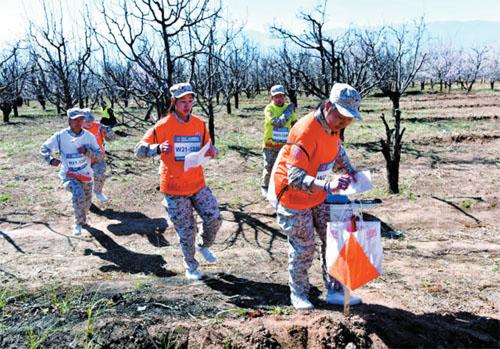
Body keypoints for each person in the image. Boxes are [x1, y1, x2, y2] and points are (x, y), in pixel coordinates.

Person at [271, 83, 364, 310]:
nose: (345, 123)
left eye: (349, 119)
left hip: (319, 194)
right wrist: (328, 185)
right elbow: (295, 177)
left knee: (333, 239)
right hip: (293, 197)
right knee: (304, 246)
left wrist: (351, 172)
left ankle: (335, 290)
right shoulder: (304, 131)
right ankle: (299, 294)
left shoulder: (334, 128)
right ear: (329, 107)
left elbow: (337, 150)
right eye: (342, 117)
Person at [134, 82, 222, 280]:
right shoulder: (163, 125)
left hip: (197, 184)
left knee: (215, 218)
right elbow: (138, 150)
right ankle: (191, 265)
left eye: (190, 101)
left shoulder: (199, 123)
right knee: (186, 230)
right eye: (183, 101)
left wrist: (212, 151)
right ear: (173, 102)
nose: (187, 106)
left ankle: (204, 245)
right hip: (174, 188)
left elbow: (208, 147)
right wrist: (157, 149)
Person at [40, 108, 102, 236]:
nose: (78, 122)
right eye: (75, 120)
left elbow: (100, 155)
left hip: (86, 175)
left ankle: (82, 219)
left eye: (81, 119)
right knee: (78, 195)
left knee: (86, 203)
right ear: (69, 121)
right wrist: (50, 159)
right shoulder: (60, 136)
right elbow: (44, 148)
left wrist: (87, 152)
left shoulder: (89, 137)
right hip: (69, 175)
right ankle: (78, 223)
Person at [261, 84, 297, 197]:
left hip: (285, 145)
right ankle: (265, 186)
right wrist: (288, 112)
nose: (279, 99)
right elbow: (278, 123)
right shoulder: (269, 109)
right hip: (270, 145)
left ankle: (280, 186)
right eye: (276, 96)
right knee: (269, 166)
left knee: (284, 167)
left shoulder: (288, 107)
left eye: (281, 96)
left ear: (285, 96)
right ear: (272, 98)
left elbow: (295, 124)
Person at [82, 108, 116, 203]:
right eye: (86, 121)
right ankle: (85, 195)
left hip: (98, 158)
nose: (89, 122)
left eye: (90, 120)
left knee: (100, 174)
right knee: (84, 179)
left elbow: (111, 139)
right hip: (83, 159)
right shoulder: (77, 130)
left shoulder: (98, 127)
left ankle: (98, 192)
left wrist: (109, 130)